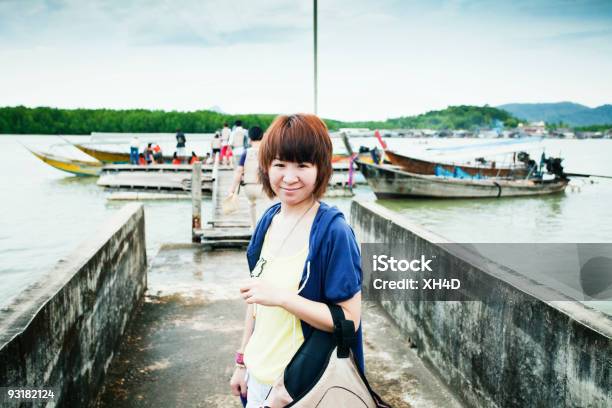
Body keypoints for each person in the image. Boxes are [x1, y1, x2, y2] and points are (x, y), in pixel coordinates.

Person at [229, 114, 363, 408]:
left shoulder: (333, 232)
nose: (289, 177)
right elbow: (255, 303)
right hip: (256, 379)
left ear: (320, 169)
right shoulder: (268, 220)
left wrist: (282, 297)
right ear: (266, 167)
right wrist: (242, 361)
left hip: (299, 388)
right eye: (279, 164)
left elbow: (349, 319)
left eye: (302, 165)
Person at [227, 126, 269, 230]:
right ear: (263, 137)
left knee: (252, 205)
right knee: (263, 207)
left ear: (249, 138)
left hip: (248, 187)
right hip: (262, 187)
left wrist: (232, 189)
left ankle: (253, 227)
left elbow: (239, 171)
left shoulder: (246, 152)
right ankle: (262, 230)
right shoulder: (266, 152)